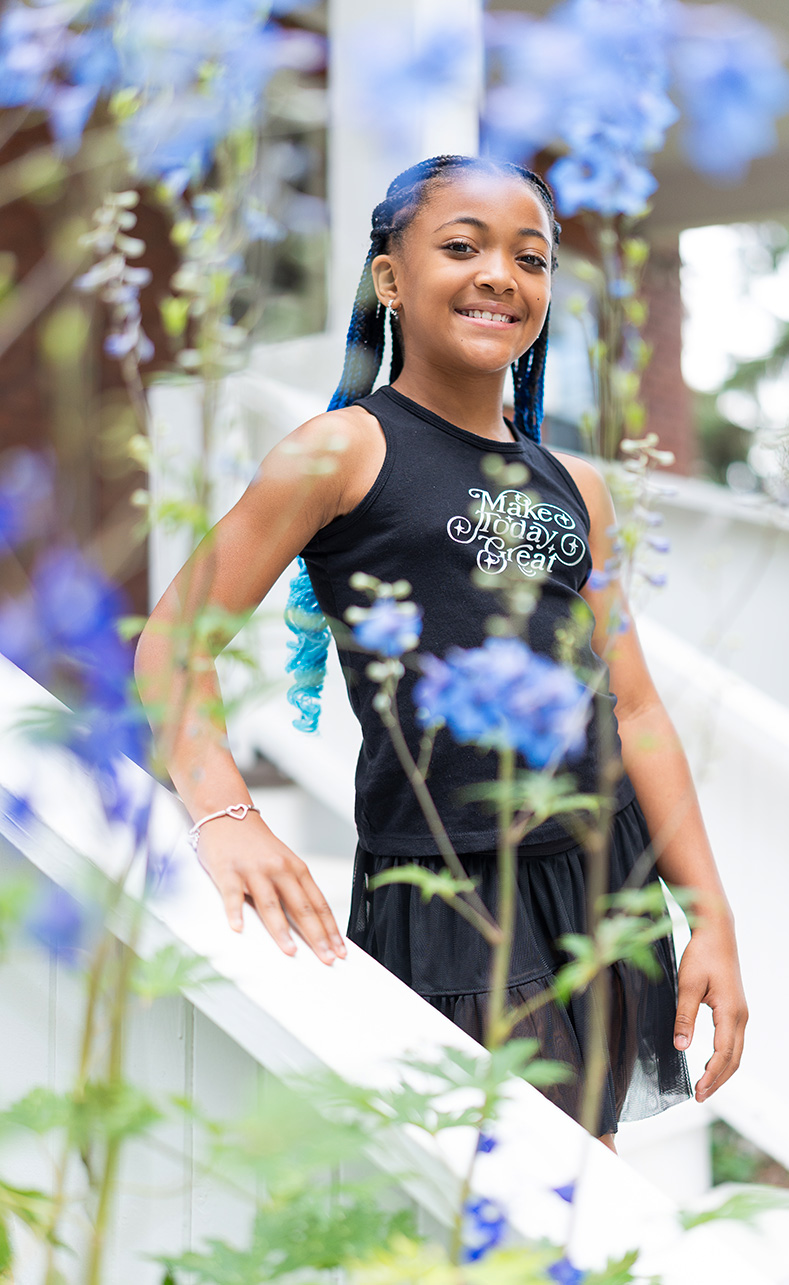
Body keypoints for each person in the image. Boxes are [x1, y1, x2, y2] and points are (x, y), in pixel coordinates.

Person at [135, 154, 747, 1149]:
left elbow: (633, 708)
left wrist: (708, 913)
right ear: (389, 277)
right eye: (462, 247)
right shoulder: (340, 451)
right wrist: (224, 813)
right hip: (443, 889)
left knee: (575, 1181)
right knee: (474, 1183)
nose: (500, 274)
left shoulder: (577, 488)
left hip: (602, 879)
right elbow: (173, 642)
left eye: (530, 258)